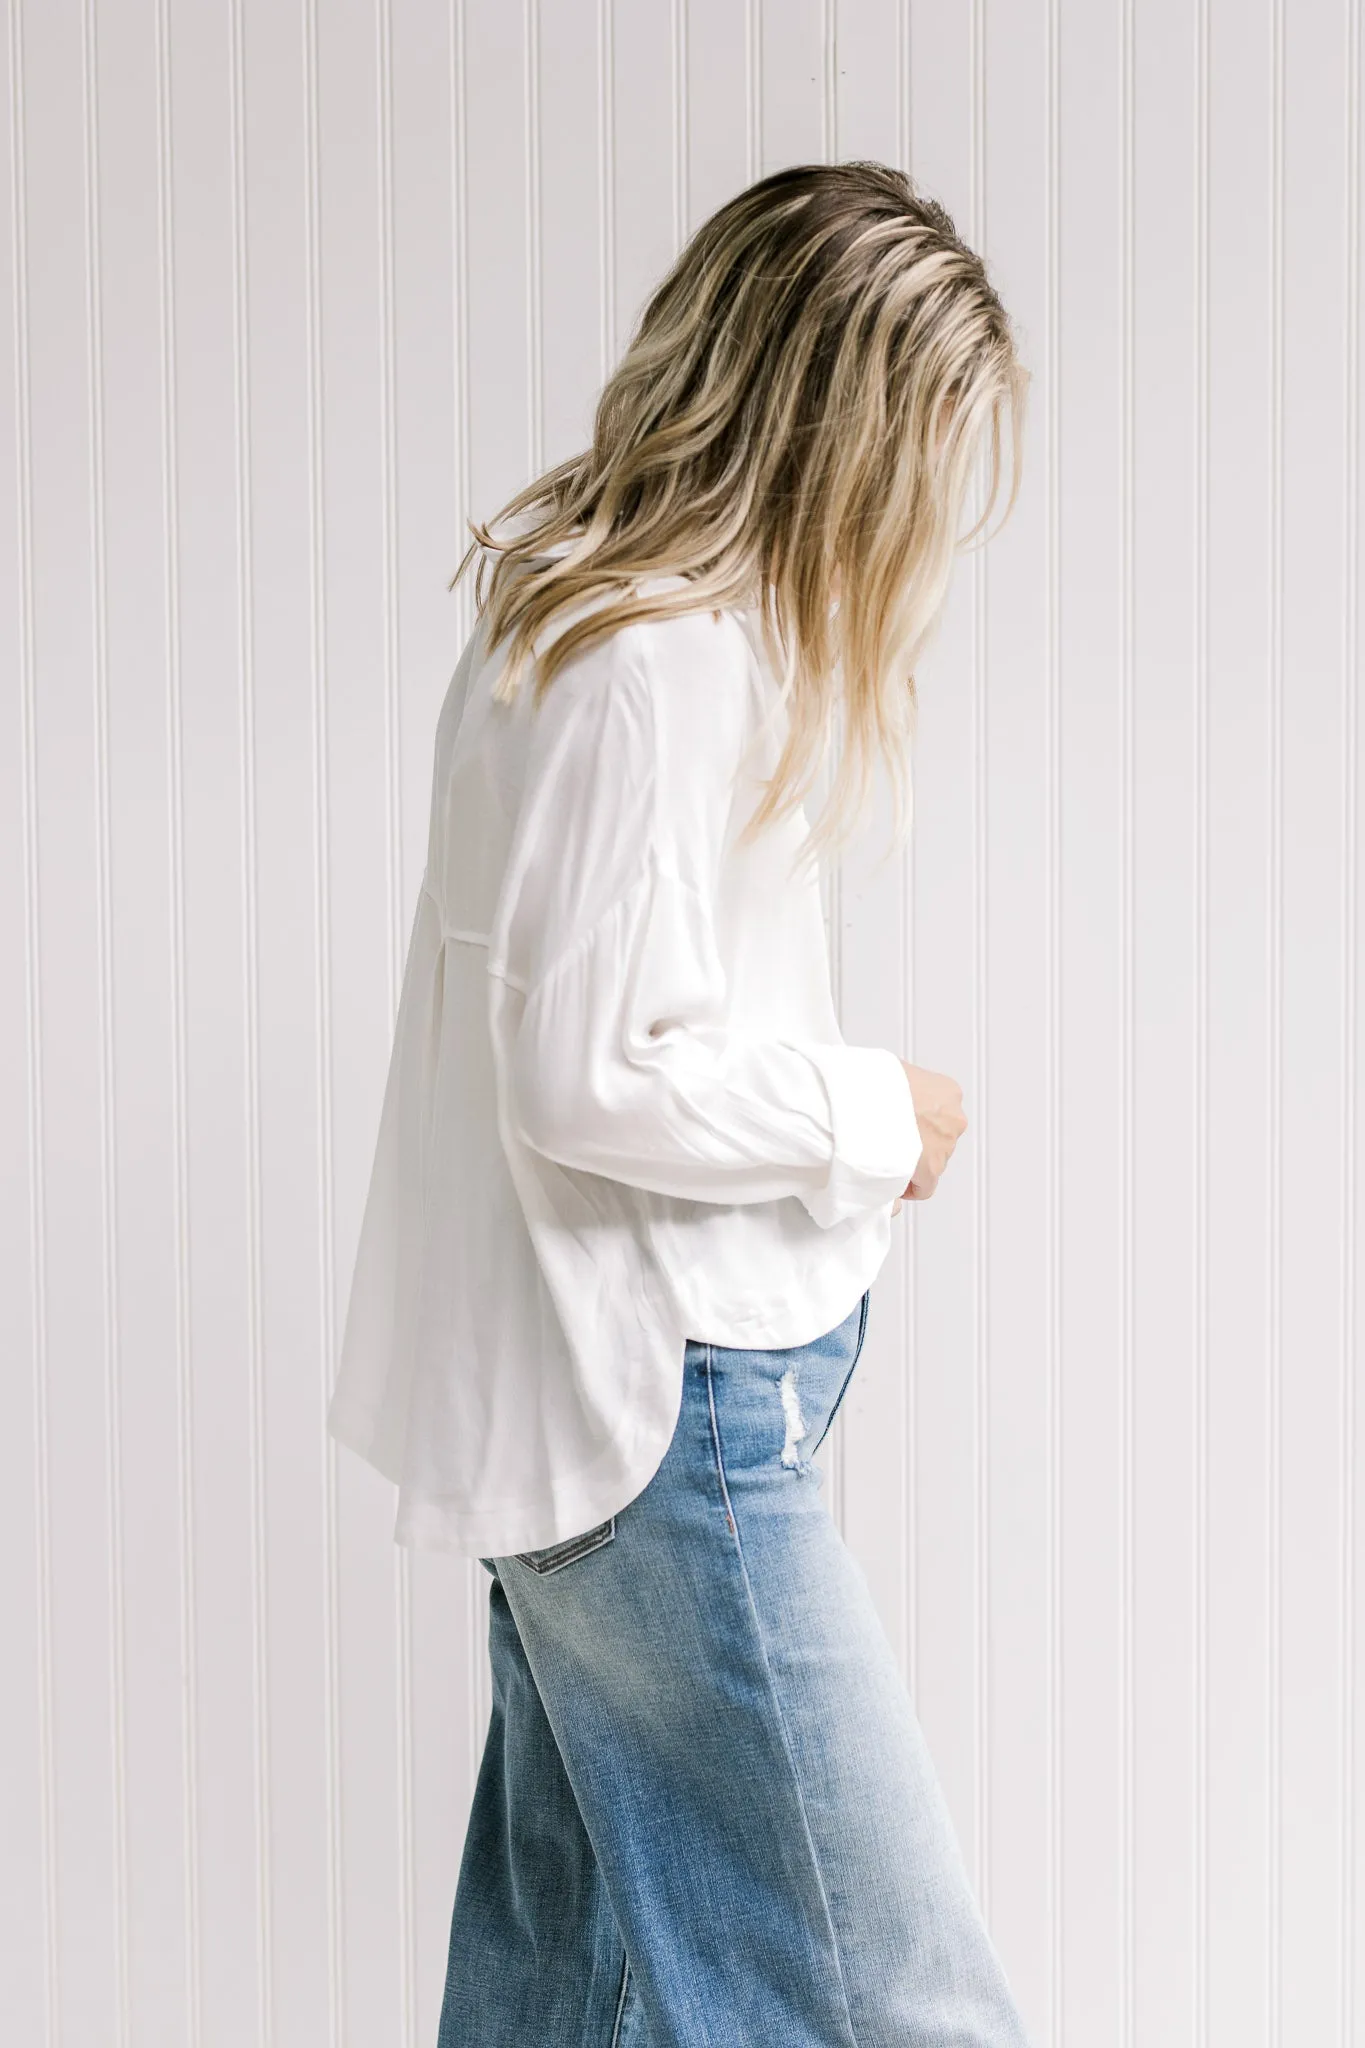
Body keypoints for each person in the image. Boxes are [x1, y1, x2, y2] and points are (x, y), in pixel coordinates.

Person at [328, 158, 1034, 2048]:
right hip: (665, 1423)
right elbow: (590, 1073)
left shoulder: (568, 614)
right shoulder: (654, 659)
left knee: (568, 1985)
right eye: (914, 467)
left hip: (606, 1408)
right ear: (830, 429)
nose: (915, 532)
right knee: (903, 2000)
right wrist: (870, 1112)